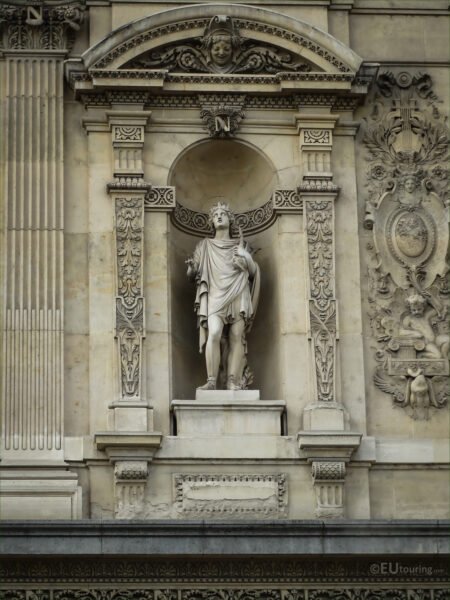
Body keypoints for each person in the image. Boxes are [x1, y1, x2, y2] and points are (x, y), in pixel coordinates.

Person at [186, 202, 260, 390]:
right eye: (215, 215)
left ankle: (232, 381)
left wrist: (245, 256)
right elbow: (192, 275)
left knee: (236, 335)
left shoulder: (241, 245)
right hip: (214, 294)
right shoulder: (204, 245)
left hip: (238, 291)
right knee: (214, 332)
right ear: (211, 221)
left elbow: (253, 273)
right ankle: (211, 381)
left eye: (223, 214)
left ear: (230, 220)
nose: (219, 216)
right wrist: (191, 268)